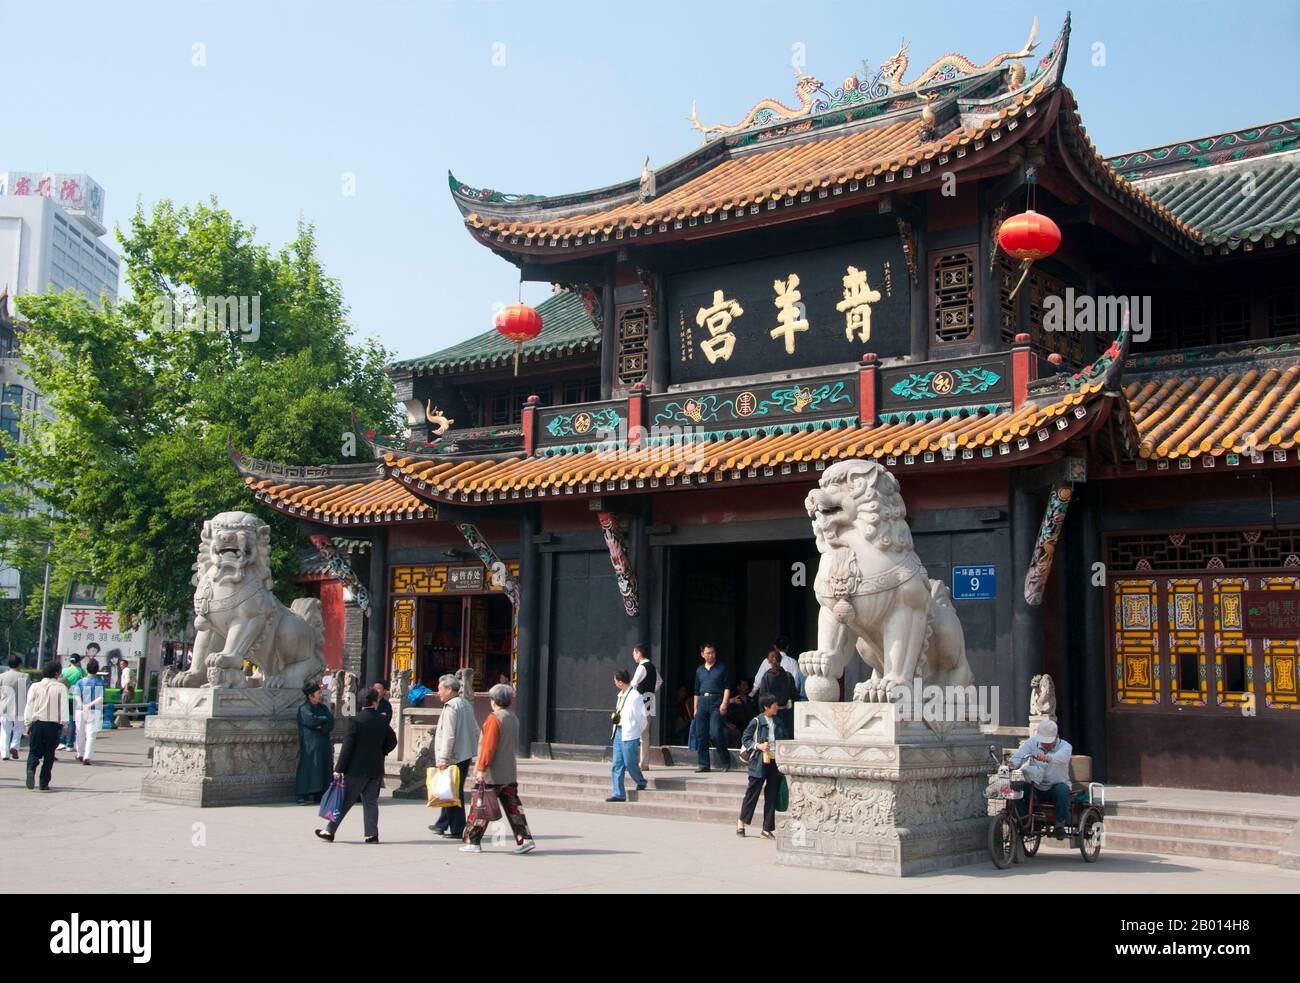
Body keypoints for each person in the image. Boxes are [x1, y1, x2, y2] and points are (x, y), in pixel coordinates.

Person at [460, 684, 535, 854]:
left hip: (491, 772)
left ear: (493, 700)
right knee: (514, 808)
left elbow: (488, 747)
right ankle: (525, 839)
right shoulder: (513, 717)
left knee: (480, 806)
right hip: (508, 770)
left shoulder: (494, 719)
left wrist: (481, 768)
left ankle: (473, 840)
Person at [315, 686, 395, 843]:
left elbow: (347, 747)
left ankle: (330, 831)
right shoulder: (382, 720)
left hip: (356, 769)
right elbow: (393, 741)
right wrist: (381, 752)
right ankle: (372, 834)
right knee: (371, 802)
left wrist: (339, 768)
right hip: (376, 768)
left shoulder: (355, 721)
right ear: (375, 702)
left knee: (345, 801)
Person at [429, 673, 479, 839]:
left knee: (452, 791)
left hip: (453, 755)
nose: (438, 693)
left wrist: (443, 758)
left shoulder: (451, 707)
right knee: (448, 789)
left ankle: (458, 828)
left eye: (440, 689)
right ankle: (442, 823)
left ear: (450, 690)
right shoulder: (466, 704)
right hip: (464, 754)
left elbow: (448, 734)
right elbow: (475, 729)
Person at [1009, 719, 1074, 840]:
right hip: (1035, 785)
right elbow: (1020, 755)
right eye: (1042, 741)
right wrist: (1011, 763)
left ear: (1056, 737)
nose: (1044, 744)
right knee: (1015, 788)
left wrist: (1047, 757)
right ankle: (1024, 821)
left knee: (1062, 790)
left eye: (1047, 741)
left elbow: (1061, 757)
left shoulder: (1066, 747)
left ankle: (1059, 826)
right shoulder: (1032, 743)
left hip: (1054, 787)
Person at [737, 694, 787, 839]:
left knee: (771, 795)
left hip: (774, 762)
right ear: (766, 707)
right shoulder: (756, 721)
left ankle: (766, 829)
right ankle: (741, 822)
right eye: (774, 705)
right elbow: (745, 739)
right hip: (759, 762)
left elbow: (784, 738)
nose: (776, 707)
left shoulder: (778, 721)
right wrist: (758, 745)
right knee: (752, 793)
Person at [23, 661, 68, 791]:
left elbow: (29, 706)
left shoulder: (34, 686)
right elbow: (64, 708)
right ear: (56, 673)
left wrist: (27, 724)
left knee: (34, 751)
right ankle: (44, 783)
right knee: (49, 755)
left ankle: (31, 769)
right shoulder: (61, 687)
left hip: (37, 724)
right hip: (53, 726)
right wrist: (65, 725)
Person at [607, 669, 647, 802]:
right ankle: (618, 793)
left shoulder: (635, 696)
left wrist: (637, 731)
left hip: (630, 734)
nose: (614, 683)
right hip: (618, 732)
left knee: (630, 763)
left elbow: (642, 718)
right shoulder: (620, 695)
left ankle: (640, 780)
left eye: (615, 680)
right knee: (617, 764)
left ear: (620, 682)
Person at [693, 643, 732, 773]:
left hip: (716, 701)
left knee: (715, 732)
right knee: (701, 735)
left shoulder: (722, 668)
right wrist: (695, 708)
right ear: (702, 655)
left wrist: (724, 703)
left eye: (712, 652)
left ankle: (725, 761)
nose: (711, 655)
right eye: (708, 653)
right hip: (702, 702)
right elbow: (696, 691)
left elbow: (727, 687)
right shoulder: (699, 670)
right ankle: (704, 764)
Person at [295, 681, 334, 804]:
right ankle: (303, 795)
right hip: (309, 744)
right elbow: (311, 721)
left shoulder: (323, 708)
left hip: (323, 742)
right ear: (310, 696)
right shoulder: (304, 708)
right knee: (308, 767)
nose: (320, 695)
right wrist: (323, 720)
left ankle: (321, 794)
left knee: (324, 768)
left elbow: (331, 722)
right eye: (318, 693)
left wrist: (322, 726)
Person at [629, 644, 659, 771]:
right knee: (645, 734)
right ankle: (644, 763)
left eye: (634, 653)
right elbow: (659, 682)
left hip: (641, 700)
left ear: (639, 653)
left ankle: (631, 761)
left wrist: (631, 697)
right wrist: (651, 691)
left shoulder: (641, 667)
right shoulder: (652, 666)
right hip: (650, 699)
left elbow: (633, 684)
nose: (633, 656)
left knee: (633, 731)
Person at [757, 647, 797, 737]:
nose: (774, 663)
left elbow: (761, 699)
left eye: (776, 661)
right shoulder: (786, 676)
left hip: (780, 714)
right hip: (779, 714)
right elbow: (795, 696)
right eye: (773, 661)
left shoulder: (767, 677)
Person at [73, 658, 105, 765]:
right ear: (97, 670)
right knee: (91, 735)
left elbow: (76, 695)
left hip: (80, 710)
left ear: (87, 669)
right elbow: (100, 697)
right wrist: (89, 705)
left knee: (79, 732)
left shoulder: (80, 682)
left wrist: (82, 705)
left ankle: (79, 754)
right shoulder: (100, 682)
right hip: (94, 710)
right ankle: (87, 756)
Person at [0, 655, 29, 759]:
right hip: (20, 706)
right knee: (18, 728)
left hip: (4, 706)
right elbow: (27, 692)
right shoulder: (24, 676)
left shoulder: (2, 676)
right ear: (19, 664)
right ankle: (14, 746)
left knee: (4, 730)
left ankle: (4, 754)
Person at [59, 653, 86, 751]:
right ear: (79, 661)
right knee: (72, 721)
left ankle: (62, 741)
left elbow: (60, 681)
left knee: (64, 720)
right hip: (75, 698)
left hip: (65, 696)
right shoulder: (81, 671)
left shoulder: (64, 671)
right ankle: (70, 744)